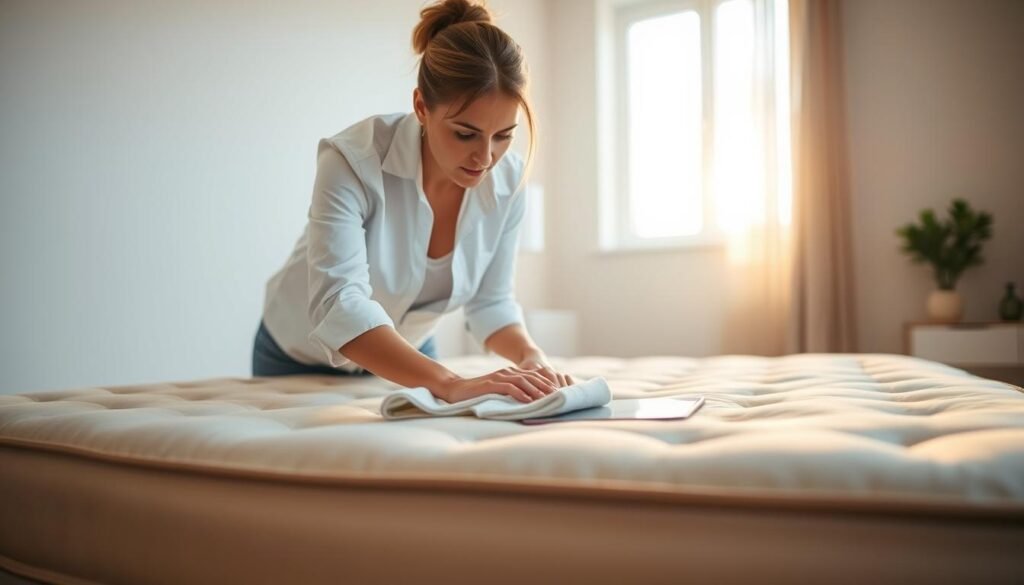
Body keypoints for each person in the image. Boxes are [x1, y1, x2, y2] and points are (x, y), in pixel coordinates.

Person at [253, 0, 575, 404]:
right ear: (421, 106)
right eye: (465, 134)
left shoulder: (508, 179)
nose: (485, 157)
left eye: (503, 135)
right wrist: (450, 383)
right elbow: (340, 303)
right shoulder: (352, 160)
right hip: (297, 358)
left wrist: (531, 356)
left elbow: (491, 302)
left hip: (413, 353)